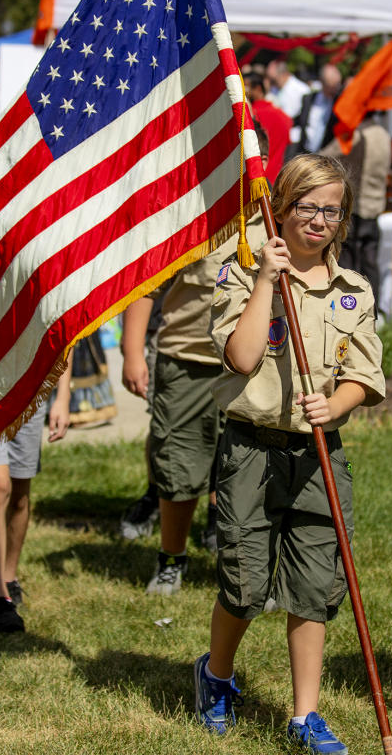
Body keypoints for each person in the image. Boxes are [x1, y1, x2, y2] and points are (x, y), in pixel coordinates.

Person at [193, 153, 385, 754]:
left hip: (316, 454)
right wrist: (266, 282)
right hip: (250, 447)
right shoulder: (238, 268)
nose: (319, 220)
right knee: (246, 584)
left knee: (314, 586)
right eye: (307, 207)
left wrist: (340, 403)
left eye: (332, 210)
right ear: (280, 208)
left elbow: (365, 373)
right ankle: (216, 675)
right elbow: (243, 358)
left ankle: (305, 717)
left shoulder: (352, 290)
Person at [119, 137, 271, 592]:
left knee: (244, 468)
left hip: (252, 369)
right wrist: (131, 352)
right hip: (186, 360)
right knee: (179, 464)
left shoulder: (274, 219)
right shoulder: (188, 214)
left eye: (250, 157)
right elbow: (145, 287)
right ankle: (172, 558)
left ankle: (238, 561)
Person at [0, 370, 72, 633]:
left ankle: (9, 576)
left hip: (31, 385)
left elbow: (63, 332)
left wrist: (62, 396)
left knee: (19, 495)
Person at [320, 112, 392, 296]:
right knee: (369, 258)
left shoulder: (355, 135)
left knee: (347, 257)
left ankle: (350, 299)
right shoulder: (384, 134)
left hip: (355, 205)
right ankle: (374, 304)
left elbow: (324, 156)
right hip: (375, 204)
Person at [288, 63, 342, 160]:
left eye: (336, 86)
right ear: (322, 82)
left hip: (326, 157)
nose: (334, 90)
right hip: (305, 153)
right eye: (330, 86)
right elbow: (299, 120)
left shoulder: (339, 103)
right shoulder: (308, 99)